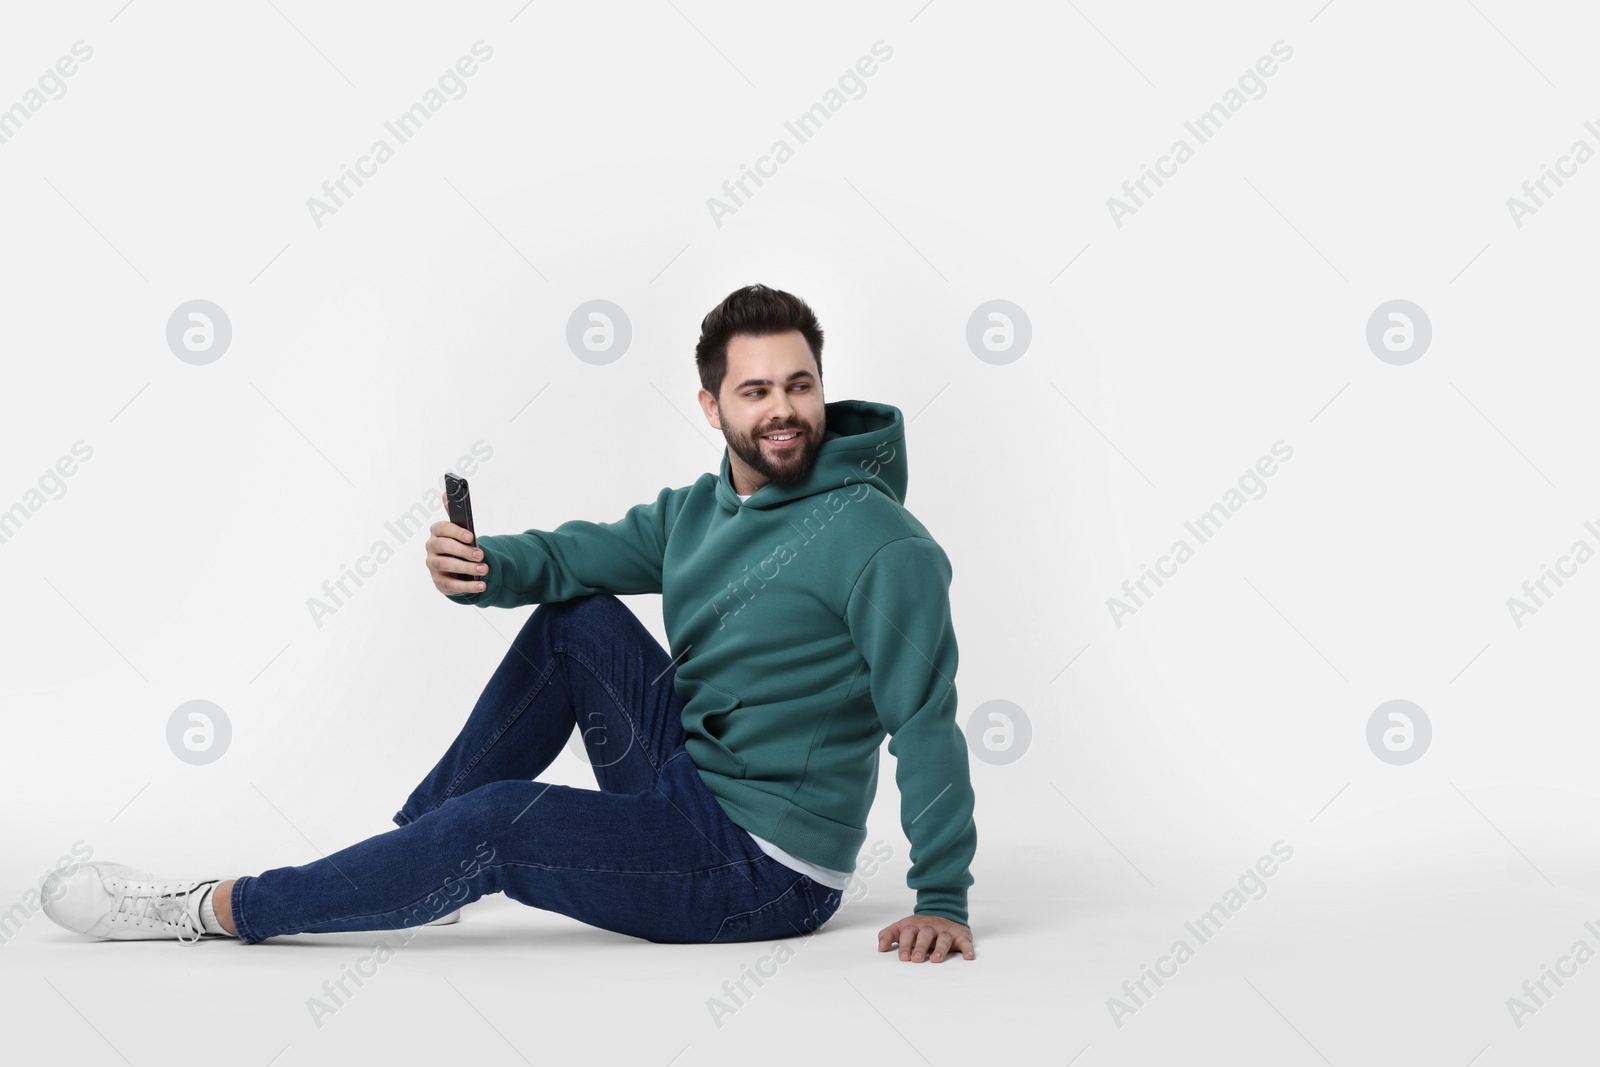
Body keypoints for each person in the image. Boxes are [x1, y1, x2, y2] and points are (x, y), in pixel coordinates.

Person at [43, 284, 978, 963]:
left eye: (800, 385)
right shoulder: (701, 511)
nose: (784, 410)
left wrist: (942, 896)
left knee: (495, 824)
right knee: (575, 620)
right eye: (756, 390)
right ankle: (416, 858)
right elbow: (579, 555)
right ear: (711, 406)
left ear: (822, 387)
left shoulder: (880, 545)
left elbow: (925, 720)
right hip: (691, 784)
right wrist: (485, 567)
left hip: (762, 867)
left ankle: (217, 907)